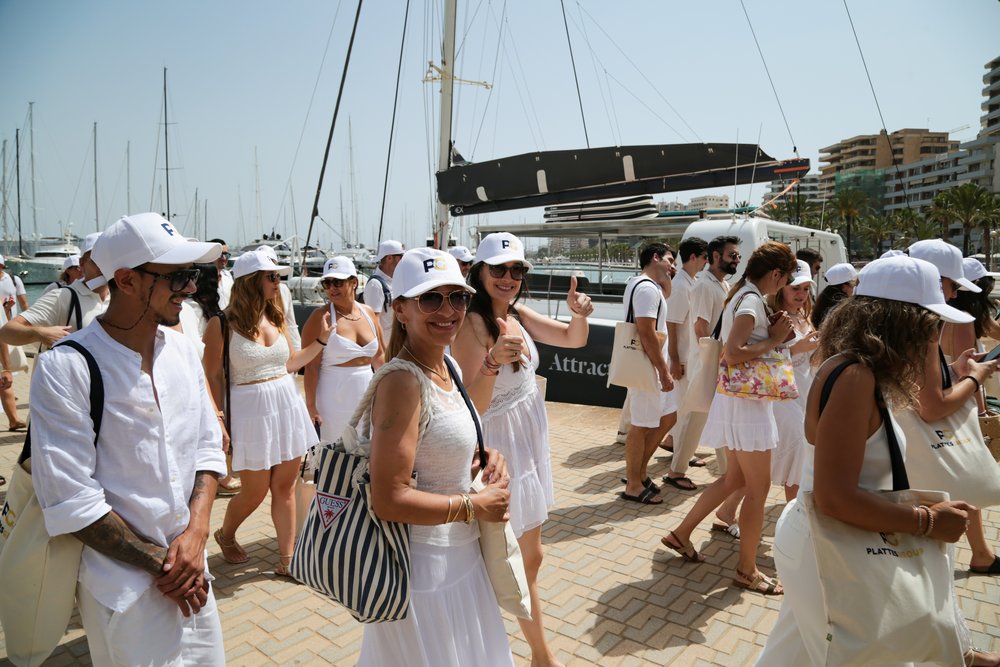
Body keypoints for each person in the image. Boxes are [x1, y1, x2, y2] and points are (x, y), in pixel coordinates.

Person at [754, 254, 999, 667]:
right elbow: (835, 497)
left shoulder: (857, 370)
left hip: (820, 542)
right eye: (930, 322)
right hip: (826, 544)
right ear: (904, 322)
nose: (934, 334)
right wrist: (927, 522)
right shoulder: (855, 378)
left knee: (790, 655)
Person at [30, 212, 228, 665]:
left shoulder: (180, 349)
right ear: (126, 280)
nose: (191, 288)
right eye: (178, 277)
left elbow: (206, 448)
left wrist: (197, 536)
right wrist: (167, 565)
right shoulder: (67, 366)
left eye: (192, 275)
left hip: (193, 577)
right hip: (125, 592)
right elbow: (70, 500)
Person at [358, 247, 513, 667]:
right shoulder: (403, 384)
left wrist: (485, 455)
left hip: (461, 562)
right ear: (401, 309)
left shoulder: (448, 366)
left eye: (457, 297)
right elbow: (388, 499)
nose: (447, 309)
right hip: (423, 576)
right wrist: (473, 505)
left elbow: (447, 443)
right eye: (431, 298)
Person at [452, 231, 591, 667]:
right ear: (479, 272)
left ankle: (525, 645)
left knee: (530, 556)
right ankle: (541, 656)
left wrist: (579, 314)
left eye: (516, 270)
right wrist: (492, 361)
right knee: (511, 558)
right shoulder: (471, 325)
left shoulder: (517, 313)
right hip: (500, 447)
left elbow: (574, 340)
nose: (508, 277)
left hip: (528, 445)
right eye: (498, 269)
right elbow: (472, 403)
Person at [663, 241, 797, 595]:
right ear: (775, 274)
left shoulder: (742, 296)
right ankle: (746, 569)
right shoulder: (751, 300)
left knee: (734, 480)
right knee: (758, 489)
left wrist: (774, 336)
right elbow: (733, 352)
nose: (785, 286)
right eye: (786, 279)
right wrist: (775, 341)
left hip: (738, 400)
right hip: (748, 403)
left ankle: (681, 533)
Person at [204, 250, 333, 575]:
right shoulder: (220, 324)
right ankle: (226, 534)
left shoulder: (275, 317)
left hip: (284, 407)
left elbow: (290, 363)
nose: (279, 282)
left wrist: (321, 341)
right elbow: (210, 377)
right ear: (251, 281)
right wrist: (218, 419)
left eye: (278, 276)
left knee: (285, 487)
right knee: (254, 491)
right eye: (272, 276)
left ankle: (288, 561)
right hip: (249, 415)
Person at [907, 239, 1000, 578]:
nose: (952, 294)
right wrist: (975, 380)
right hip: (911, 452)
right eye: (950, 285)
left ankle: (981, 554)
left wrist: (956, 369)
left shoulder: (899, 326)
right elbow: (931, 407)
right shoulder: (923, 330)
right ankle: (980, 555)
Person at [673, 234, 744, 533]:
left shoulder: (721, 284)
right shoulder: (704, 285)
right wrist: (715, 358)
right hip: (710, 360)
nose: (736, 260)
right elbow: (701, 325)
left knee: (704, 418)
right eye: (732, 255)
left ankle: (719, 474)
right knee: (698, 416)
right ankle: (678, 470)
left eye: (738, 255)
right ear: (715, 256)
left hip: (716, 360)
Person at [612, 242, 678, 502]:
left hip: (650, 364)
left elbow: (665, 301)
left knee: (668, 416)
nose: (673, 266)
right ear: (655, 257)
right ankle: (633, 484)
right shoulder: (648, 289)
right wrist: (663, 370)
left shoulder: (643, 285)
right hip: (647, 366)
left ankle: (638, 474)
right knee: (640, 426)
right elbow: (646, 331)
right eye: (670, 260)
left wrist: (667, 278)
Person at [175, 264, 243, 498]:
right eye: (183, 277)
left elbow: (198, 363)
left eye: (193, 277)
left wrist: (216, 414)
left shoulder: (186, 312)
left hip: (199, 392)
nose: (190, 285)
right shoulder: (191, 310)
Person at [303, 255, 385, 442]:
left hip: (368, 396)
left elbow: (380, 356)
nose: (331, 288)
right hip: (333, 400)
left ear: (354, 282)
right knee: (336, 458)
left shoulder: (369, 313)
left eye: (337, 282)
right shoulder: (319, 318)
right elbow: (311, 367)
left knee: (369, 453)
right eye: (327, 283)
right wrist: (311, 406)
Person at [768, 260, 820, 501]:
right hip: (783, 398)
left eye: (806, 289)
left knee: (775, 462)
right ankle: (796, 520)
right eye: (795, 288)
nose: (801, 294)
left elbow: (810, 359)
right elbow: (764, 357)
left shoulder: (803, 316)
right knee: (794, 458)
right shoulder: (775, 318)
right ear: (782, 288)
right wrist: (798, 348)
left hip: (804, 394)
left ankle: (726, 511)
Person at [663, 236, 709, 488]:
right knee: (683, 406)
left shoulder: (690, 282)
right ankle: (681, 456)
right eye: (704, 258)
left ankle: (684, 452)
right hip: (683, 356)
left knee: (687, 406)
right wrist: (674, 358)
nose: (705, 263)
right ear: (693, 257)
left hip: (689, 355)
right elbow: (672, 323)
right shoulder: (681, 284)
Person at [941, 257, 1000, 414]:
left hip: (954, 395)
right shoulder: (963, 320)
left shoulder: (947, 315)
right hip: (962, 401)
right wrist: (981, 412)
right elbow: (968, 371)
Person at [254, 245, 301, 351]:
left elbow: (290, 323)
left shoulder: (284, 290)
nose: (276, 281)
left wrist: (297, 349)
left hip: (283, 346)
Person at [364, 239, 404, 344]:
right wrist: (381, 352)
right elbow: (374, 321)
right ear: (390, 258)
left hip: (395, 344)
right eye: (401, 257)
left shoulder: (394, 281)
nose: (403, 261)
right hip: (386, 347)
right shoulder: (375, 285)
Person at [811, 262, 857, 329]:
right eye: (855, 284)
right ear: (844, 287)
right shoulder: (844, 310)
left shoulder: (825, 305)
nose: (857, 287)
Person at [0, 254, 29, 319]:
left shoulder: (15, 280)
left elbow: (24, 304)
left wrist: (28, 322)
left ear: (1, 266)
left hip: (9, 325)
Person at [208, 238, 234, 309]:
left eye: (227, 254)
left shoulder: (228, 276)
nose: (224, 258)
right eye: (221, 254)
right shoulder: (201, 277)